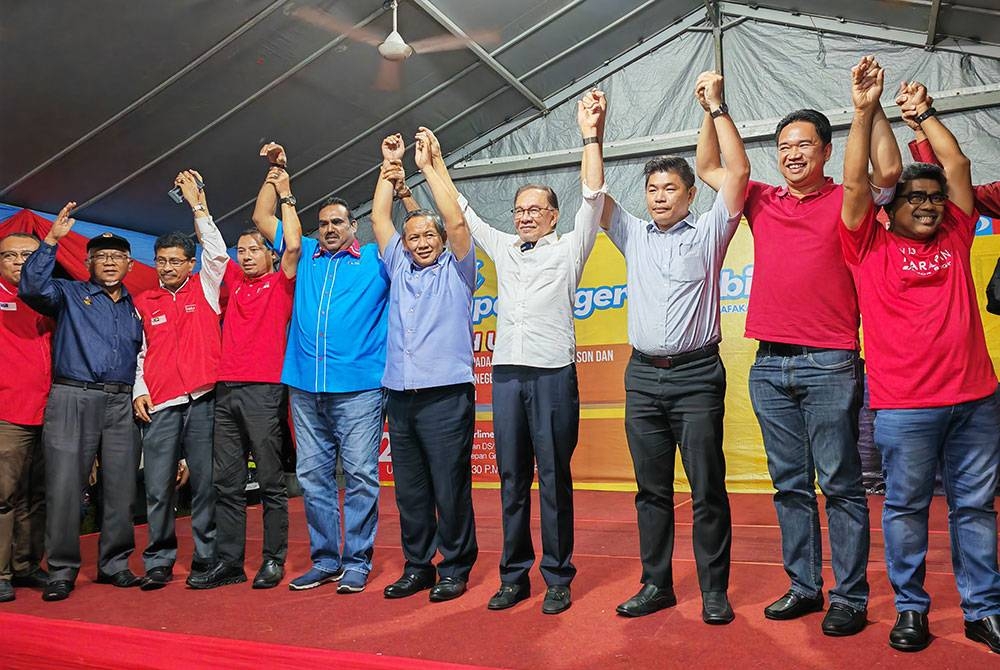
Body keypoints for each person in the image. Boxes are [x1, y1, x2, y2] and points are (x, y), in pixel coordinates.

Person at [696, 54, 902, 636]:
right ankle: (805, 587)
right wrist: (713, 106)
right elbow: (710, 163)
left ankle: (851, 597)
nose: (791, 154)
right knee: (789, 485)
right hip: (769, 365)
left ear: (825, 151)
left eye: (804, 145)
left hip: (830, 363)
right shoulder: (763, 200)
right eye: (784, 145)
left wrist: (870, 107)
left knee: (839, 485)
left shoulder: (849, 200)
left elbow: (887, 172)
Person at [841, 71, 1000, 654]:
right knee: (905, 511)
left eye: (934, 199)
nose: (930, 206)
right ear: (893, 207)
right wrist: (865, 111)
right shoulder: (867, 244)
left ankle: (984, 611)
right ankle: (910, 609)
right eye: (917, 198)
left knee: (976, 509)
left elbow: (955, 168)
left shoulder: (956, 234)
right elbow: (857, 184)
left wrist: (923, 116)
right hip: (904, 409)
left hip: (977, 402)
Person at [430, 91, 606, 614]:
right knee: (511, 479)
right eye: (519, 210)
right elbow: (458, 212)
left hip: (553, 377)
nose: (525, 216)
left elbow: (593, 197)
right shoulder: (503, 247)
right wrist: (435, 165)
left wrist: (590, 135)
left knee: (553, 477)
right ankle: (514, 575)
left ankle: (557, 577)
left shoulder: (572, 245)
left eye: (536, 210)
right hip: (505, 376)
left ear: (554, 217)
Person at [605, 73, 749, 624]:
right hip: (642, 377)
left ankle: (715, 590)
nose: (659, 197)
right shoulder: (632, 234)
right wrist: (592, 133)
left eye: (670, 189)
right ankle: (656, 585)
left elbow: (736, 171)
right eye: (652, 190)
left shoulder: (711, 231)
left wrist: (715, 107)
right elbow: (594, 195)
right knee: (651, 491)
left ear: (691, 194)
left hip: (696, 377)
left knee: (708, 488)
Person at [252, 145, 389, 594]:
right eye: (324, 222)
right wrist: (276, 174)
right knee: (312, 476)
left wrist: (391, 173)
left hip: (360, 389)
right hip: (305, 388)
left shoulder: (375, 259)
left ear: (355, 227)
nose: (329, 229)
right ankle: (326, 558)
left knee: (362, 475)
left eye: (338, 222)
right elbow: (261, 218)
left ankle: (357, 561)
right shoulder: (304, 253)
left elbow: (392, 227)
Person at [371, 131, 478, 602]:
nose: (419, 242)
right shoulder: (397, 265)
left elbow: (454, 218)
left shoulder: (458, 269)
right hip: (400, 395)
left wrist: (429, 166)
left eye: (427, 235)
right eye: (413, 236)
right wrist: (387, 166)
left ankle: (455, 567)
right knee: (410, 491)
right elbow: (377, 217)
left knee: (449, 487)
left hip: (446, 396)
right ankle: (419, 565)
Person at [20, 203, 145, 602]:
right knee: (64, 486)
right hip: (73, 395)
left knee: (122, 486)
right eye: (101, 257)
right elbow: (32, 288)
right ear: (89, 262)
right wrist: (52, 240)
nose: (109, 262)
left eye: (117, 257)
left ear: (129, 263)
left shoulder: (135, 307)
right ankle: (61, 569)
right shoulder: (69, 293)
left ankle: (115, 564)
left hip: (121, 402)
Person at [189, 151, 300, 590]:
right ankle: (229, 563)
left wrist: (278, 179)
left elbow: (291, 242)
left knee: (271, 481)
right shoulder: (233, 281)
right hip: (225, 390)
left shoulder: (282, 281)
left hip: (264, 390)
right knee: (226, 483)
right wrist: (199, 205)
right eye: (243, 250)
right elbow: (213, 248)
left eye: (256, 249)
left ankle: (273, 559)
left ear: (269, 256)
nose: (247, 255)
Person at [132, 170, 227, 590]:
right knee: (157, 488)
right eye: (162, 261)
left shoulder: (204, 288)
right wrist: (140, 390)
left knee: (205, 485)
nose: (168, 268)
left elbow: (218, 253)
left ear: (191, 264)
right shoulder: (143, 301)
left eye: (176, 261)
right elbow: (138, 354)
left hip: (203, 400)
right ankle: (159, 559)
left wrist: (198, 206)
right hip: (161, 403)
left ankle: (206, 557)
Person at [0, 232, 53, 602]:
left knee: (36, 495)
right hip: (7, 413)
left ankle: (26, 564)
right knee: (3, 497)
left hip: (49, 412)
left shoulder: (51, 297)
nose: (19, 262)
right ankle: (1, 572)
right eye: (11, 255)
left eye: (28, 256)